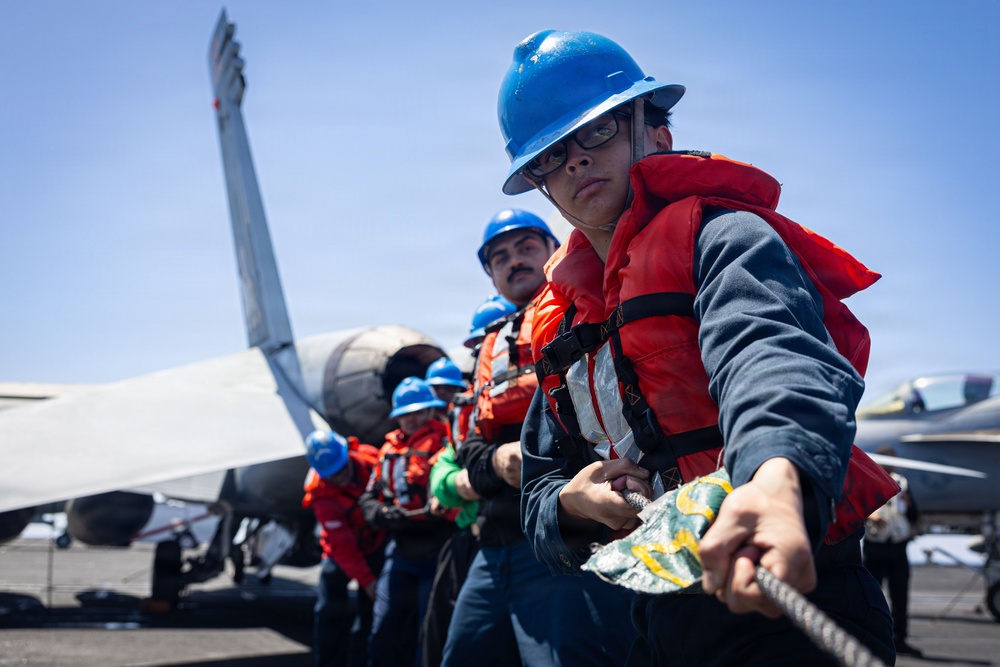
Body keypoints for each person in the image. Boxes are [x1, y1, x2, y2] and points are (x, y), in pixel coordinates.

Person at [496, 30, 901, 666]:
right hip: (657, 617)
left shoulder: (723, 237)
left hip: (785, 588)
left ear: (657, 136)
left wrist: (775, 479)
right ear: (541, 183)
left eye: (598, 131)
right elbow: (540, 488)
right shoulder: (561, 325)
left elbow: (768, 354)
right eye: (550, 154)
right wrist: (572, 507)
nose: (574, 160)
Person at [440, 210, 637, 667]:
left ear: (553, 251)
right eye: (499, 257)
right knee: (461, 656)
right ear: (491, 276)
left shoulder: (590, 313)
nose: (514, 260)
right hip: (494, 548)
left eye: (526, 247)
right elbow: (466, 445)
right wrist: (497, 464)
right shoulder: (489, 351)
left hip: (573, 540)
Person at [359, 377, 456, 667]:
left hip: (436, 553)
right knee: (383, 627)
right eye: (405, 413)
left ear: (429, 411)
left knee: (428, 634)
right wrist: (382, 514)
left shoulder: (445, 442)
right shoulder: (388, 451)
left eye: (418, 412)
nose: (411, 419)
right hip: (399, 552)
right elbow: (368, 499)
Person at [302, 430, 385, 667]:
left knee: (371, 615)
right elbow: (343, 545)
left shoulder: (370, 459)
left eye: (343, 469)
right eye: (334, 476)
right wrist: (368, 582)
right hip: (340, 553)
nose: (341, 478)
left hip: (376, 543)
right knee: (330, 611)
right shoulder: (322, 497)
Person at [421, 355, 482, 667]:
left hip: (482, 537)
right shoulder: (452, 426)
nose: (440, 396)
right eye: (436, 389)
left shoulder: (476, 413)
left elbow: (466, 481)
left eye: (448, 389)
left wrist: (449, 486)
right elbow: (444, 471)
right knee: (439, 627)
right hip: (462, 534)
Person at [865, 446, 922, 657]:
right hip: (875, 546)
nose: (890, 464)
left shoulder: (902, 484)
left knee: (900, 597)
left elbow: (914, 515)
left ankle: (900, 639)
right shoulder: (869, 479)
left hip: (897, 546)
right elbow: (857, 507)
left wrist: (909, 504)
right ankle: (869, 638)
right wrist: (871, 517)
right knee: (870, 595)